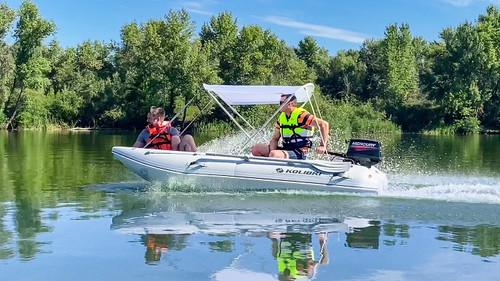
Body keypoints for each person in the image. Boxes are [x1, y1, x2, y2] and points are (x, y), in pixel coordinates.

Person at [251, 94, 329, 160]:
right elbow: (275, 138)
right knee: (256, 148)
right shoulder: (282, 118)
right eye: (280, 102)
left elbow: (324, 124)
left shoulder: (302, 116)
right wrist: (271, 151)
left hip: (300, 151)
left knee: (274, 154)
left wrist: (322, 146)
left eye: (282, 102)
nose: (280, 104)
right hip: (286, 149)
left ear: (290, 104)